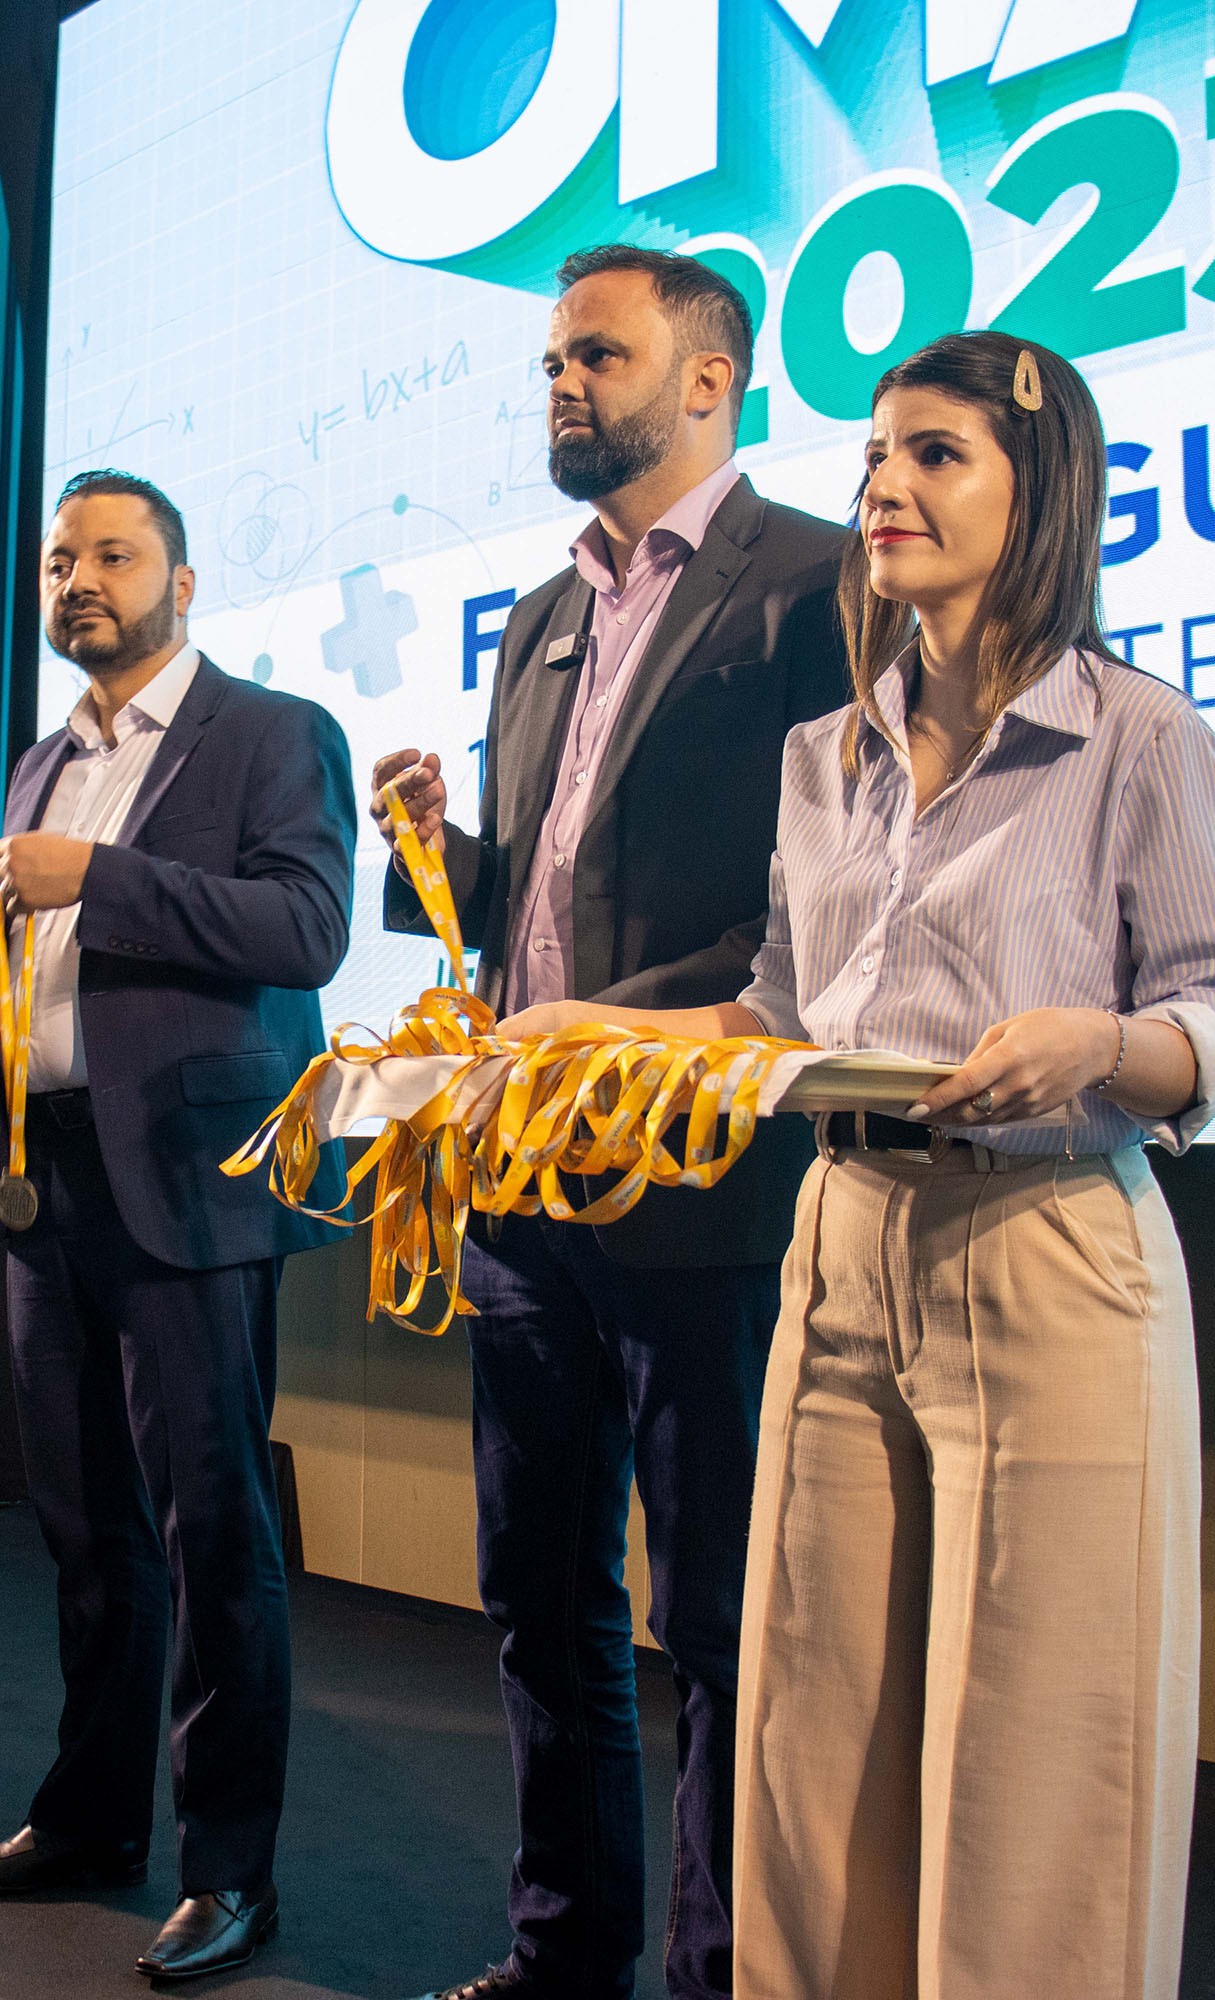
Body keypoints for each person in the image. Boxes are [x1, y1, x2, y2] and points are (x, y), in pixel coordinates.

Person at [501, 332, 1215, 2000]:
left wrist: (1099, 1046)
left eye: (937, 456)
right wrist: (597, 1040)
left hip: (1050, 1238)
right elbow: (780, 1016)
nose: (885, 489)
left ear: (1036, 491)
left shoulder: (1142, 740)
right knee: (808, 1724)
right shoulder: (824, 757)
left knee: (1040, 1753)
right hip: (842, 1240)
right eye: (875, 456)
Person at [371, 244, 849, 2000]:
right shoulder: (542, 609)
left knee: (715, 1621)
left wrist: (617, 1028)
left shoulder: (812, 583)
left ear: (710, 378)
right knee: (537, 1600)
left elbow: (825, 910)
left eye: (599, 354)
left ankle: (722, 1972)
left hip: (701, 1181)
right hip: (521, 1186)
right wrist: (439, 861)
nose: (561, 383)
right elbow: (534, 923)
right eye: (552, 359)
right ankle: (565, 1951)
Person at [0, 470, 354, 1984]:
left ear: (182, 580)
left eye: (114, 555)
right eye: (60, 559)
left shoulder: (274, 734)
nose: (79, 580)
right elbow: (5, 956)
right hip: (45, 1189)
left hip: (194, 1184)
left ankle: (231, 1872)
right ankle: (91, 1820)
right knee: (87, 1533)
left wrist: (102, 878)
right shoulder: (42, 760)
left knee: (216, 1533)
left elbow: (307, 929)